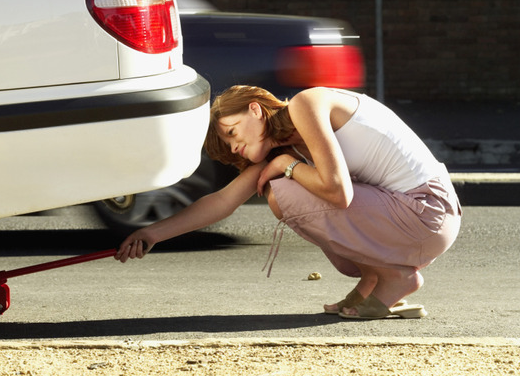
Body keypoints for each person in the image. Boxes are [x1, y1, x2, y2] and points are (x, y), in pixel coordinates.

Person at [115, 85, 462, 320]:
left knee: (283, 191)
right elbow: (222, 201)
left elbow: (339, 192)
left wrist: (288, 167)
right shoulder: (284, 146)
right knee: (280, 186)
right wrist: (153, 233)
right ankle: (374, 277)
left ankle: (395, 278)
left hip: (428, 211)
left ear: (255, 110)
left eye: (233, 132)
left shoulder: (306, 105)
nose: (234, 147)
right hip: (417, 217)